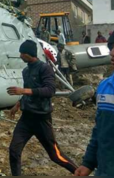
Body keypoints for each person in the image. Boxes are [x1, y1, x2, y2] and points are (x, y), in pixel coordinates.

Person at [7, 40, 77, 176]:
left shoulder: (45, 68)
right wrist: (18, 104)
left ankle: (79, 172)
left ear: (29, 53)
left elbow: (50, 90)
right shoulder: (26, 71)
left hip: (41, 119)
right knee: (14, 151)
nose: (20, 55)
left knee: (55, 155)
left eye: (22, 53)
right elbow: (28, 92)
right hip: (26, 119)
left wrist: (24, 91)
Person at [74, 23, 114, 176]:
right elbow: (100, 131)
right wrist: (88, 163)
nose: (113, 53)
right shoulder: (104, 87)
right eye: (112, 47)